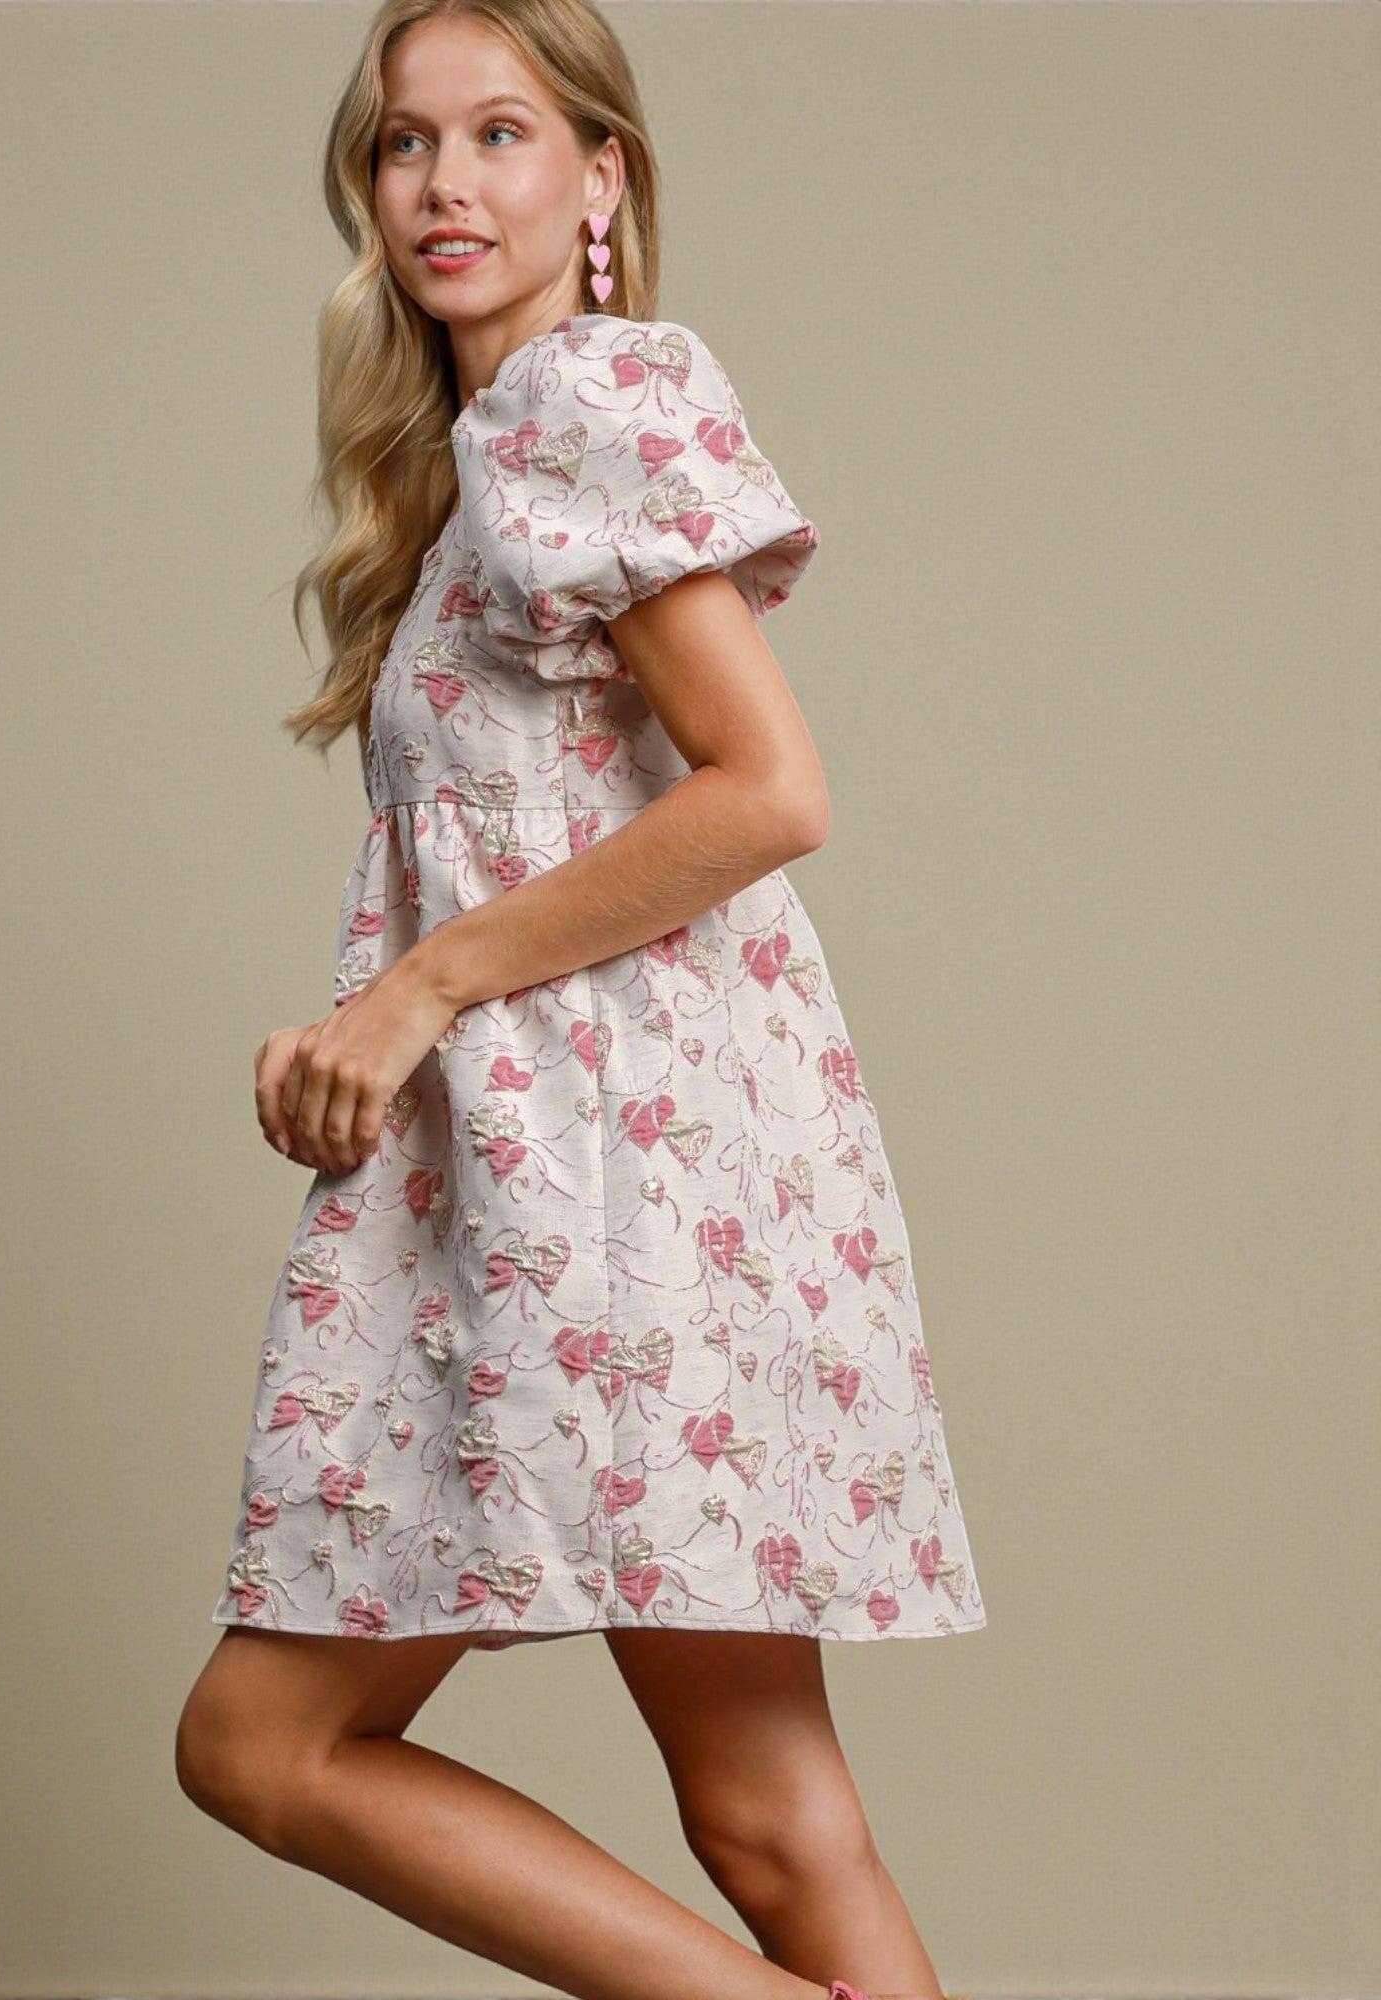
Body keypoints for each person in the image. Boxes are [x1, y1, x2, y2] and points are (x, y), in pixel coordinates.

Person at [176, 5, 986, 1999]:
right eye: (402, 145)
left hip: (603, 1204)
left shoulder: (578, 403)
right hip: (643, 1176)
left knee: (262, 1747)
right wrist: (368, 1014)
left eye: (503, 133)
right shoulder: (484, 458)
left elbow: (768, 785)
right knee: (770, 1822)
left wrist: (422, 988)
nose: (446, 183)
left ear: (599, 175)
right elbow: (544, 831)